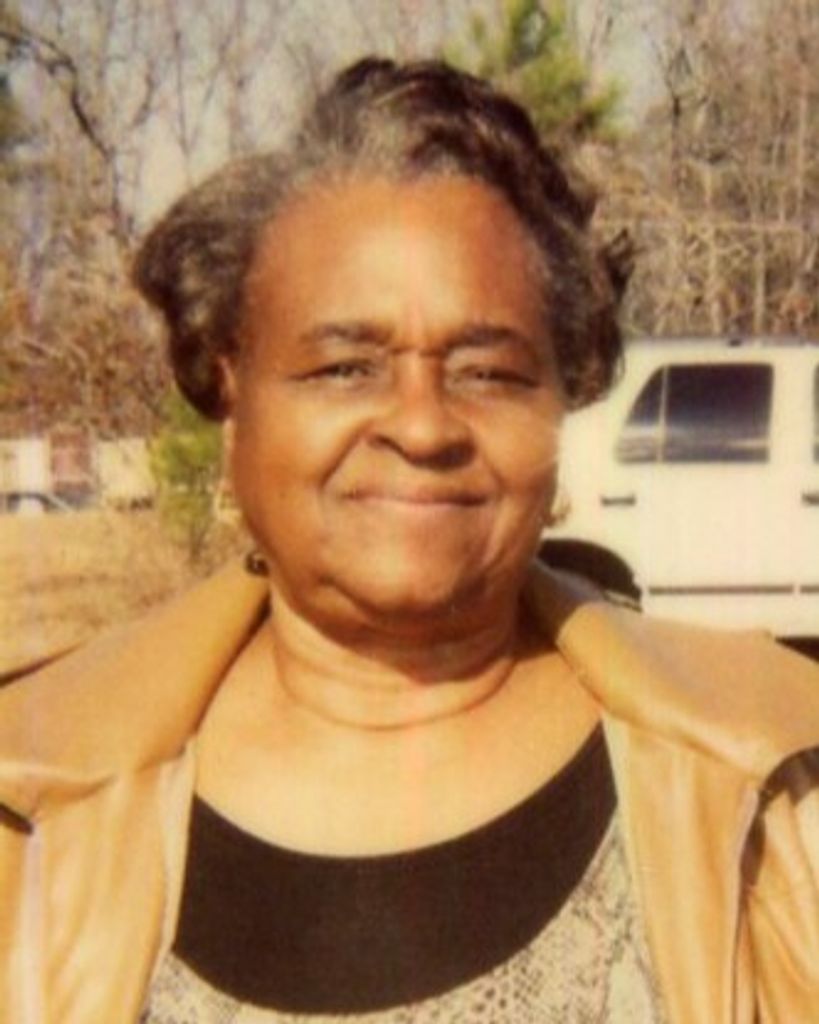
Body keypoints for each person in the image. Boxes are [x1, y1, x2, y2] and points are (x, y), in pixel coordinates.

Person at [2, 57, 819, 1024]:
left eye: (488, 372)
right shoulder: (34, 807)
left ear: (562, 401)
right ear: (232, 393)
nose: (423, 426)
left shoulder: (770, 787)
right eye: (345, 367)